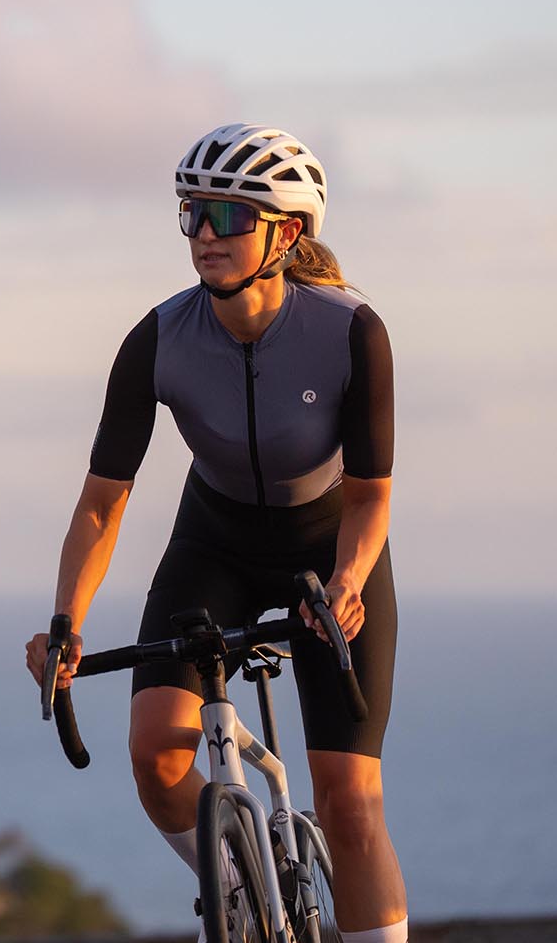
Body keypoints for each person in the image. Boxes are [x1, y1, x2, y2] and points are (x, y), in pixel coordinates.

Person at [24, 123, 407, 943]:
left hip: (328, 550)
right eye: (194, 213)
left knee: (348, 801)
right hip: (216, 546)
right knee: (156, 758)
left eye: (229, 217)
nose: (204, 235)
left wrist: (344, 586)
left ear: (288, 232)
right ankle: (241, 899)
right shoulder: (158, 338)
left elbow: (371, 497)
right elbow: (102, 503)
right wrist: (66, 625)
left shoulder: (349, 332)